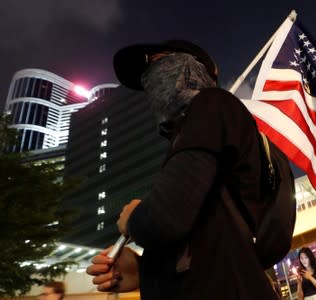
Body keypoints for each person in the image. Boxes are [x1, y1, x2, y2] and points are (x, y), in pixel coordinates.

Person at [86, 40, 279, 300]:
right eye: (146, 74)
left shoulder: (211, 104)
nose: (150, 76)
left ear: (197, 67)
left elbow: (165, 218)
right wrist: (143, 271)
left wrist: (133, 219)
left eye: (158, 61)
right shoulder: (207, 141)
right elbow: (210, 244)